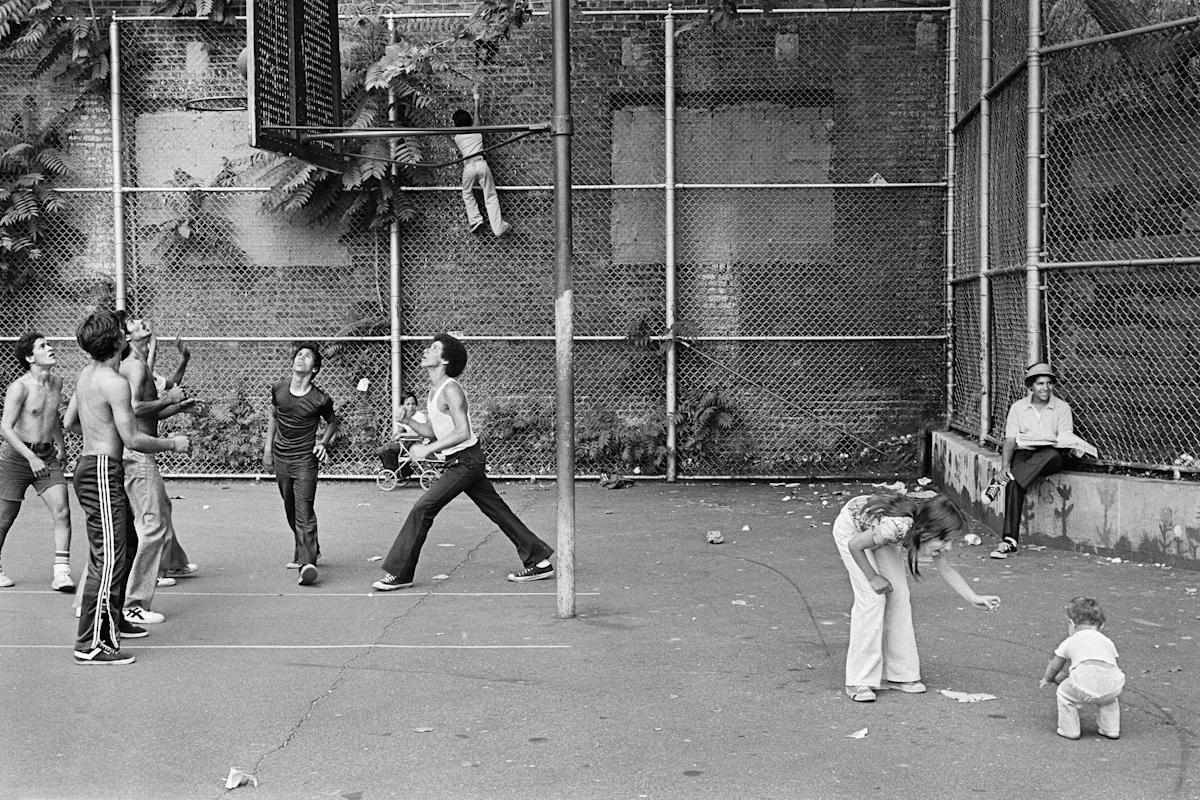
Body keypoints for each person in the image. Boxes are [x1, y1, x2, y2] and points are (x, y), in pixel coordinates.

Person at [372, 333, 553, 591]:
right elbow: (435, 430)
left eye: (433, 348)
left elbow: (462, 432)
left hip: (465, 462)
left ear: (444, 359)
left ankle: (401, 573)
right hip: (464, 461)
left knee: (423, 508)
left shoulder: (451, 389)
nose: (426, 350)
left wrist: (426, 451)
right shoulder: (434, 391)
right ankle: (540, 561)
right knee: (498, 511)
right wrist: (409, 421)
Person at [63, 310, 189, 665]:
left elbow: (70, 422)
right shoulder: (114, 381)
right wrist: (173, 444)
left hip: (96, 467)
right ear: (118, 340)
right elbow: (132, 438)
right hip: (102, 470)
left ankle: (114, 619)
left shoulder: (87, 375)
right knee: (108, 558)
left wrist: (97, 440)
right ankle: (90, 643)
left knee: (127, 543)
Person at [832, 492, 1001, 702]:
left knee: (899, 595)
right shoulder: (896, 527)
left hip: (876, 534)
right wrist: (873, 576)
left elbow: (947, 570)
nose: (948, 547)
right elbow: (855, 545)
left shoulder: (922, 534)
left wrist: (973, 597)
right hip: (853, 530)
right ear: (927, 531)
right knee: (873, 598)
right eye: (945, 540)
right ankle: (858, 680)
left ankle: (900, 674)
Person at [116, 312, 196, 626]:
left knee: (154, 515)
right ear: (125, 337)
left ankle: (172, 563)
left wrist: (176, 404)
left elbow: (154, 407)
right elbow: (135, 408)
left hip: (138, 451)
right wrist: (169, 399)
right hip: (137, 454)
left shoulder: (140, 366)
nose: (141, 323)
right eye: (133, 323)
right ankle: (133, 603)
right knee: (150, 529)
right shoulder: (133, 367)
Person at [986, 362, 1096, 559]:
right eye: (1039, 384)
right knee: (1014, 484)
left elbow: (1065, 438)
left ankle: (1001, 480)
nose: (1045, 388)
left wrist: (1071, 445)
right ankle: (1008, 542)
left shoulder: (1062, 408)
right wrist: (1004, 466)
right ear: (1031, 386)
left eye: (1048, 383)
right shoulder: (1018, 408)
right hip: (1025, 453)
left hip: (1050, 456)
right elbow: (1010, 440)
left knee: (1050, 455)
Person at [0, 332, 74, 591]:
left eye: (49, 344)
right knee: (4, 518)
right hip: (17, 457)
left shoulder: (56, 382)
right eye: (43, 346)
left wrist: (61, 446)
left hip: (47, 457)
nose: (51, 348)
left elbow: (51, 415)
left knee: (62, 510)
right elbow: (5, 428)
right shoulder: (19, 387)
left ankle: (61, 574)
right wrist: (30, 457)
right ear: (30, 357)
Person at [263, 342, 338, 587]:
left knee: (304, 510)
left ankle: (307, 564)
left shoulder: (320, 399)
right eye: (299, 355)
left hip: (306, 460)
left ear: (314, 368)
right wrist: (267, 451)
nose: (301, 358)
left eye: (307, 357)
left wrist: (323, 443)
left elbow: (333, 422)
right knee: (290, 507)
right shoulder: (279, 388)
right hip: (281, 456)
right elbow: (273, 416)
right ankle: (309, 549)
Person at [148, 333, 199, 582]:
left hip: (145, 451)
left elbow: (169, 387)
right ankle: (152, 572)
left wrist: (185, 358)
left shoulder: (146, 372)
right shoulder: (130, 371)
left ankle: (175, 562)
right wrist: (173, 403)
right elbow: (142, 410)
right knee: (153, 512)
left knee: (162, 506)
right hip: (135, 451)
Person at [1040, 596, 1125, 740]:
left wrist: (1048, 678)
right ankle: (1111, 729)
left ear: (1071, 624)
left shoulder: (1070, 641)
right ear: (1101, 625)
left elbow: (1055, 666)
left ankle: (1070, 729)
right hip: (1114, 683)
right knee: (1109, 699)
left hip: (1083, 681)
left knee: (1064, 694)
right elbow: (1110, 663)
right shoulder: (1107, 641)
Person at [452, 108, 511, 237]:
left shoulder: (457, 137)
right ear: (470, 120)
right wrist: (476, 99)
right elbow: (477, 117)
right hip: (481, 164)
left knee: (467, 193)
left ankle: (476, 220)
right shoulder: (477, 132)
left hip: (469, 167)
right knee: (490, 194)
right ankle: (498, 228)